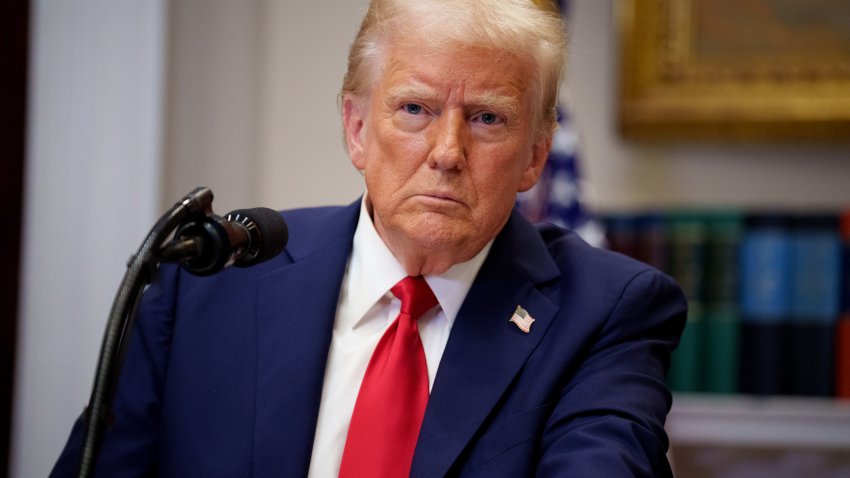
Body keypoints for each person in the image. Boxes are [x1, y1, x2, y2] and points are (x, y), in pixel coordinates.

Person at [52, 0, 686, 476]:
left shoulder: (607, 313)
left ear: (535, 156)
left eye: (488, 118)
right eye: (415, 109)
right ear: (356, 128)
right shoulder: (204, 280)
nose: (446, 152)